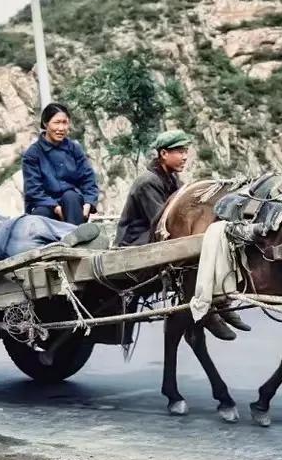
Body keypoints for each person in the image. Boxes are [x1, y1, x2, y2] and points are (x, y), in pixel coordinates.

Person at [116, 130, 250, 340]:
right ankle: (207, 312)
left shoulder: (171, 179)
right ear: (163, 153)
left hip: (154, 234)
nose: (185, 156)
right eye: (179, 151)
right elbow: (163, 224)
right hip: (137, 240)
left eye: (186, 151)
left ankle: (219, 303)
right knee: (196, 255)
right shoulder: (147, 182)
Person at [22, 103, 99, 225]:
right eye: (57, 122)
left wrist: (88, 204)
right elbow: (34, 191)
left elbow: (89, 180)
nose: (61, 128)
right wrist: (57, 208)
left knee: (71, 197)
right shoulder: (32, 154)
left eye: (65, 122)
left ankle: (77, 240)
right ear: (46, 124)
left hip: (72, 204)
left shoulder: (74, 149)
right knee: (41, 215)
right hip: (45, 205)